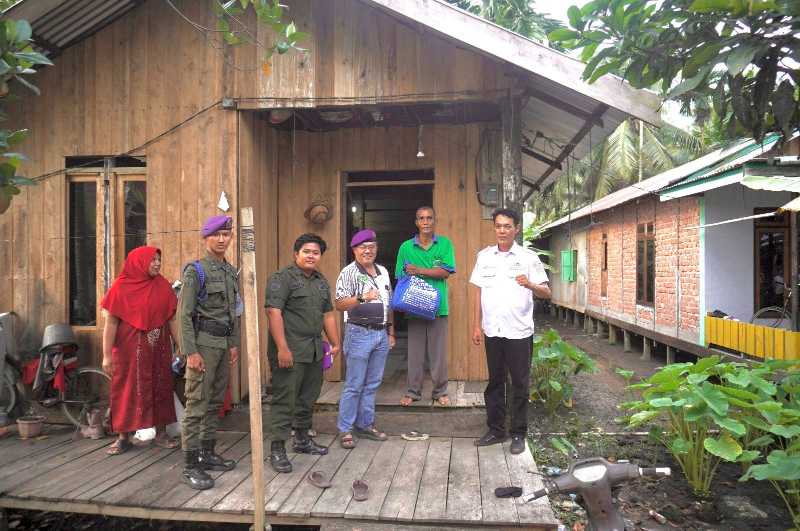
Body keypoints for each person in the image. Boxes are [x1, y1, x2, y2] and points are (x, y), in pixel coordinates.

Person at [469, 208, 550, 455]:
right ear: (494, 228)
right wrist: (476, 325)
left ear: (516, 229)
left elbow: (547, 292)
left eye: (507, 226)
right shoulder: (484, 256)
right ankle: (496, 430)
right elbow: (478, 292)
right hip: (493, 330)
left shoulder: (528, 258)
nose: (502, 230)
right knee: (495, 382)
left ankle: (518, 433)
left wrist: (530, 284)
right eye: (498, 226)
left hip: (519, 332)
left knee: (520, 384)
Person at [266, 233, 341, 473]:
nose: (311, 256)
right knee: (284, 398)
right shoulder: (282, 278)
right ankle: (277, 448)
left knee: (308, 397)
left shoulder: (320, 281)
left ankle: (301, 439)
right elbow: (273, 313)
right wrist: (282, 348)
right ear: (296, 254)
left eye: (316, 253)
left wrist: (335, 342)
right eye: (306, 251)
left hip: (314, 350)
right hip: (290, 350)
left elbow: (327, 314)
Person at [179, 215, 241, 490]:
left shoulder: (230, 271)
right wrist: (191, 352)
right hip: (203, 346)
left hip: (223, 345)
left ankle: (207, 452)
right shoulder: (196, 271)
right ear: (206, 238)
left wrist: (234, 344)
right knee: (196, 405)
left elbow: (233, 312)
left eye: (226, 234)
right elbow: (184, 315)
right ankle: (190, 465)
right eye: (216, 234)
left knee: (215, 403)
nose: (221, 239)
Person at [101, 246, 180, 456]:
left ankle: (161, 434)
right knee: (126, 390)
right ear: (139, 262)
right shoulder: (120, 287)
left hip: (158, 349)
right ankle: (123, 437)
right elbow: (111, 323)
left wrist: (180, 345)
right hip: (127, 352)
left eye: (159, 259)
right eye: (152, 260)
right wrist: (106, 356)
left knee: (161, 387)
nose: (157, 263)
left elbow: (172, 319)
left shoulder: (163, 286)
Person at [335, 229, 395, 449]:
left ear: (376, 249)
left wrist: (391, 332)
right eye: (363, 247)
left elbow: (389, 303)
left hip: (381, 334)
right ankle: (345, 428)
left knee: (372, 384)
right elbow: (339, 304)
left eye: (371, 246)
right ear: (354, 250)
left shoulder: (383, 271)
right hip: (359, 333)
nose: (367, 251)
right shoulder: (348, 272)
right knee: (354, 384)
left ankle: (365, 424)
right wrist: (362, 297)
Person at [395, 206, 455, 407]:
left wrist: (419, 270)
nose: (426, 221)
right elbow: (400, 275)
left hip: (439, 307)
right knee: (415, 354)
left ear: (434, 221)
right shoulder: (405, 247)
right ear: (416, 222)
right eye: (421, 218)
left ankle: (440, 392)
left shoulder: (444, 244)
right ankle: (413, 392)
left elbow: (445, 272)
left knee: (438, 354)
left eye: (429, 218)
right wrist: (408, 272)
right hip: (415, 306)